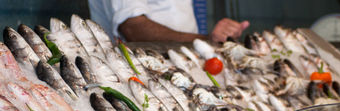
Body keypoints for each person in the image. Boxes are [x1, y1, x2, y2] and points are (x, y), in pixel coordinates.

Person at [88, 0, 250, 43]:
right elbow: (132, 28)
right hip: (138, 72)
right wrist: (206, 40)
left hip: (185, 63)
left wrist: (219, 36)